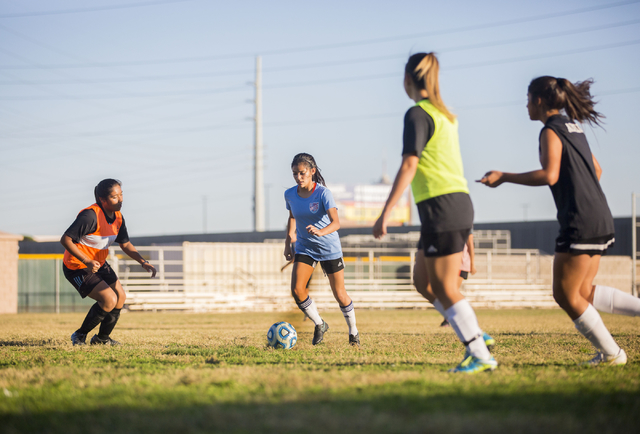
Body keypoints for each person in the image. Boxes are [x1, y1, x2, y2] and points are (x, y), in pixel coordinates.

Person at [479, 75, 640, 366]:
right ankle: (614, 348)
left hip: (579, 220)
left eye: (527, 99)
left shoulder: (550, 131)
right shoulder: (574, 127)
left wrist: (504, 177)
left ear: (539, 101)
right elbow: (597, 170)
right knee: (583, 291)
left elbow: (550, 175)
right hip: (599, 215)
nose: (525, 105)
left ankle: (612, 354)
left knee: (565, 294)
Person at [373, 52, 496, 373]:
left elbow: (410, 164)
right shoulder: (445, 116)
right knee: (422, 281)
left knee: (445, 287)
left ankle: (480, 353)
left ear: (407, 81)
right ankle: (474, 332)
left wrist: (385, 212)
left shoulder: (417, 114)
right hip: (448, 206)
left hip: (443, 207)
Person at [60, 179, 156, 346]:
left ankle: (101, 339)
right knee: (108, 300)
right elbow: (65, 239)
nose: (120, 200)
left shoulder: (118, 217)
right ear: (102, 199)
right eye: (114, 196)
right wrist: (86, 260)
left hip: (98, 262)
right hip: (77, 265)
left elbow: (125, 244)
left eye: (121, 194)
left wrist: (143, 262)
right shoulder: (90, 215)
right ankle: (79, 335)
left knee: (120, 297)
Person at [284, 153, 359, 346]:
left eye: (302, 173)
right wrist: (288, 241)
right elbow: (292, 216)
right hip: (304, 247)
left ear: (312, 172)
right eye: (295, 174)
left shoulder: (323, 193)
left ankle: (353, 332)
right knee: (297, 290)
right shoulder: (290, 194)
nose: (298, 178)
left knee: (340, 294)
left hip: (329, 248)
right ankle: (319, 323)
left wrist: (320, 231)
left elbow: (336, 223)